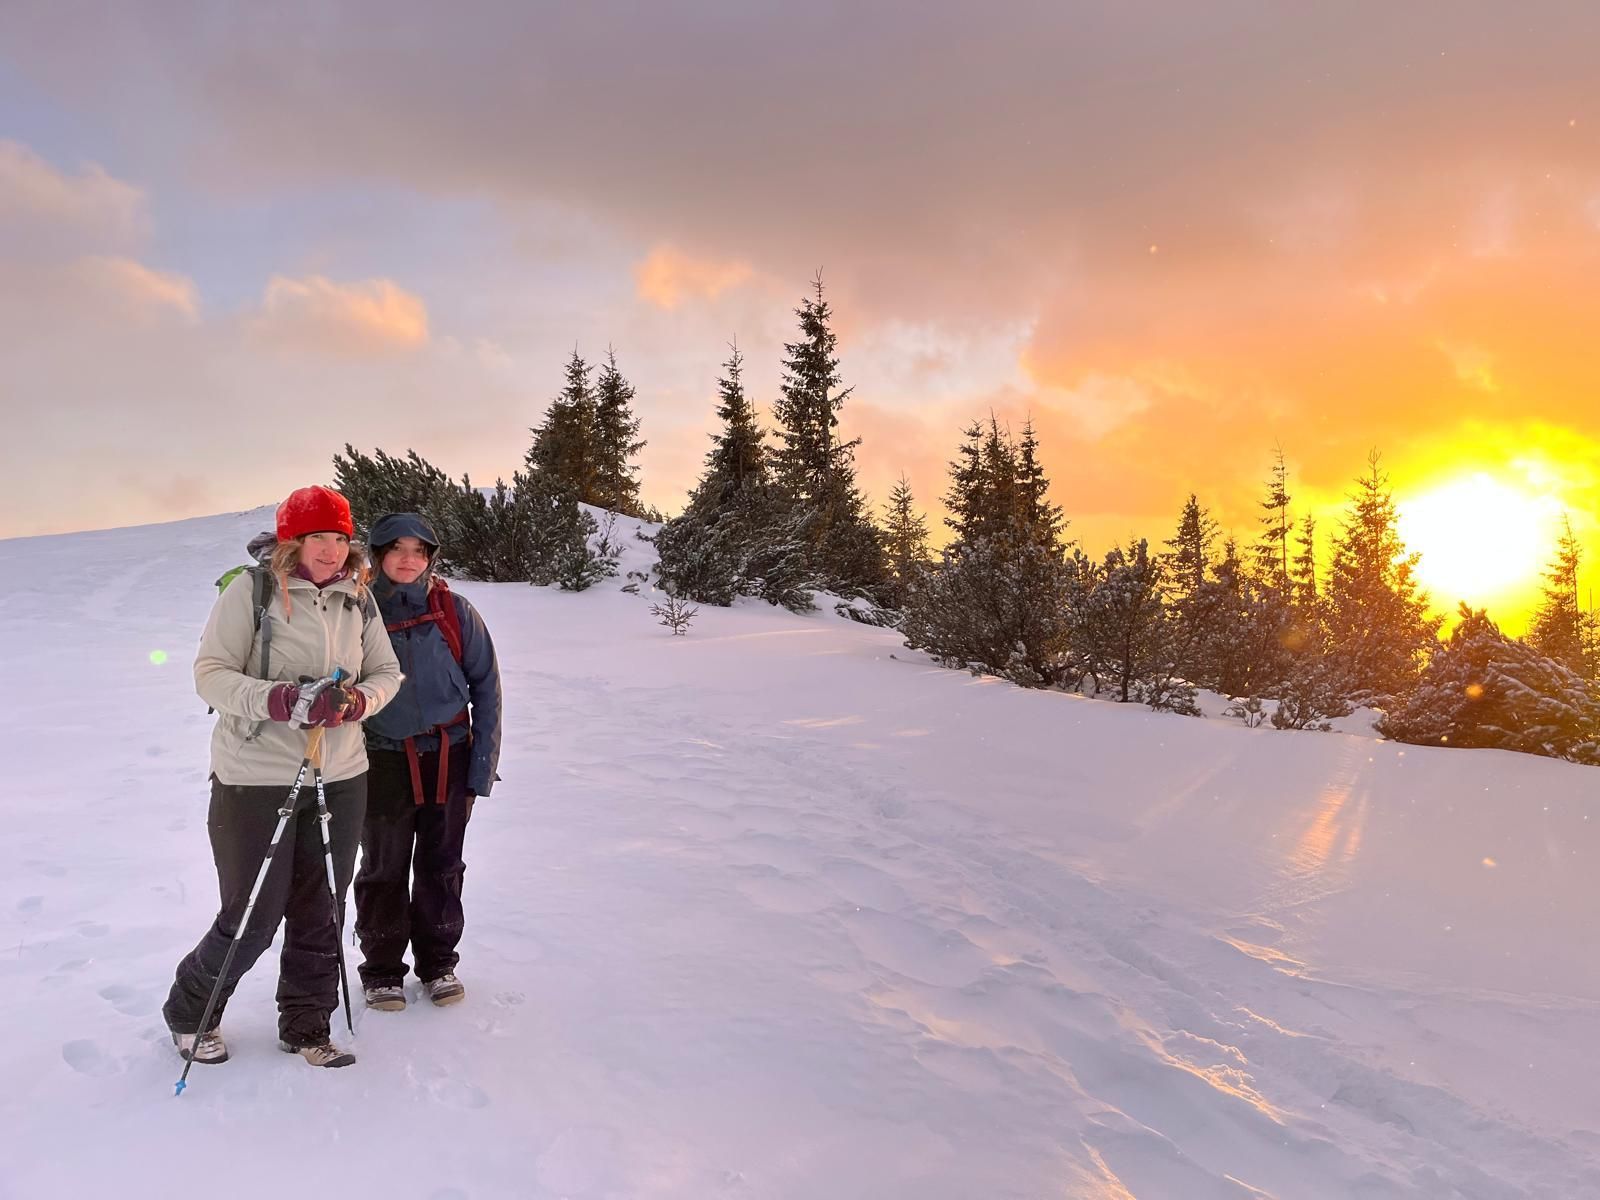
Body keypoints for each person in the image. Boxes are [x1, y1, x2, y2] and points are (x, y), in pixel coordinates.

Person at [163, 485, 403, 1069]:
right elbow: (211, 674)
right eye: (317, 537)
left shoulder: (357, 598)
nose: (330, 550)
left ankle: (306, 1024)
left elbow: (387, 672)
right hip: (254, 775)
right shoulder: (251, 592)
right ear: (291, 541)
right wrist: (282, 700)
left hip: (341, 773)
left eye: (340, 538)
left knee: (323, 907)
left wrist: (357, 703)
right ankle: (191, 1012)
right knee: (252, 912)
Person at [355, 513, 501, 1011]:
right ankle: (381, 971)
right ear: (377, 554)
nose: (408, 559)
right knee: (383, 867)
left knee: (443, 865)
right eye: (397, 549)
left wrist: (481, 767)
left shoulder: (454, 611)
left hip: (449, 756)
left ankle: (438, 964)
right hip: (380, 758)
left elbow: (487, 688)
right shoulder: (357, 611)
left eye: (419, 551)